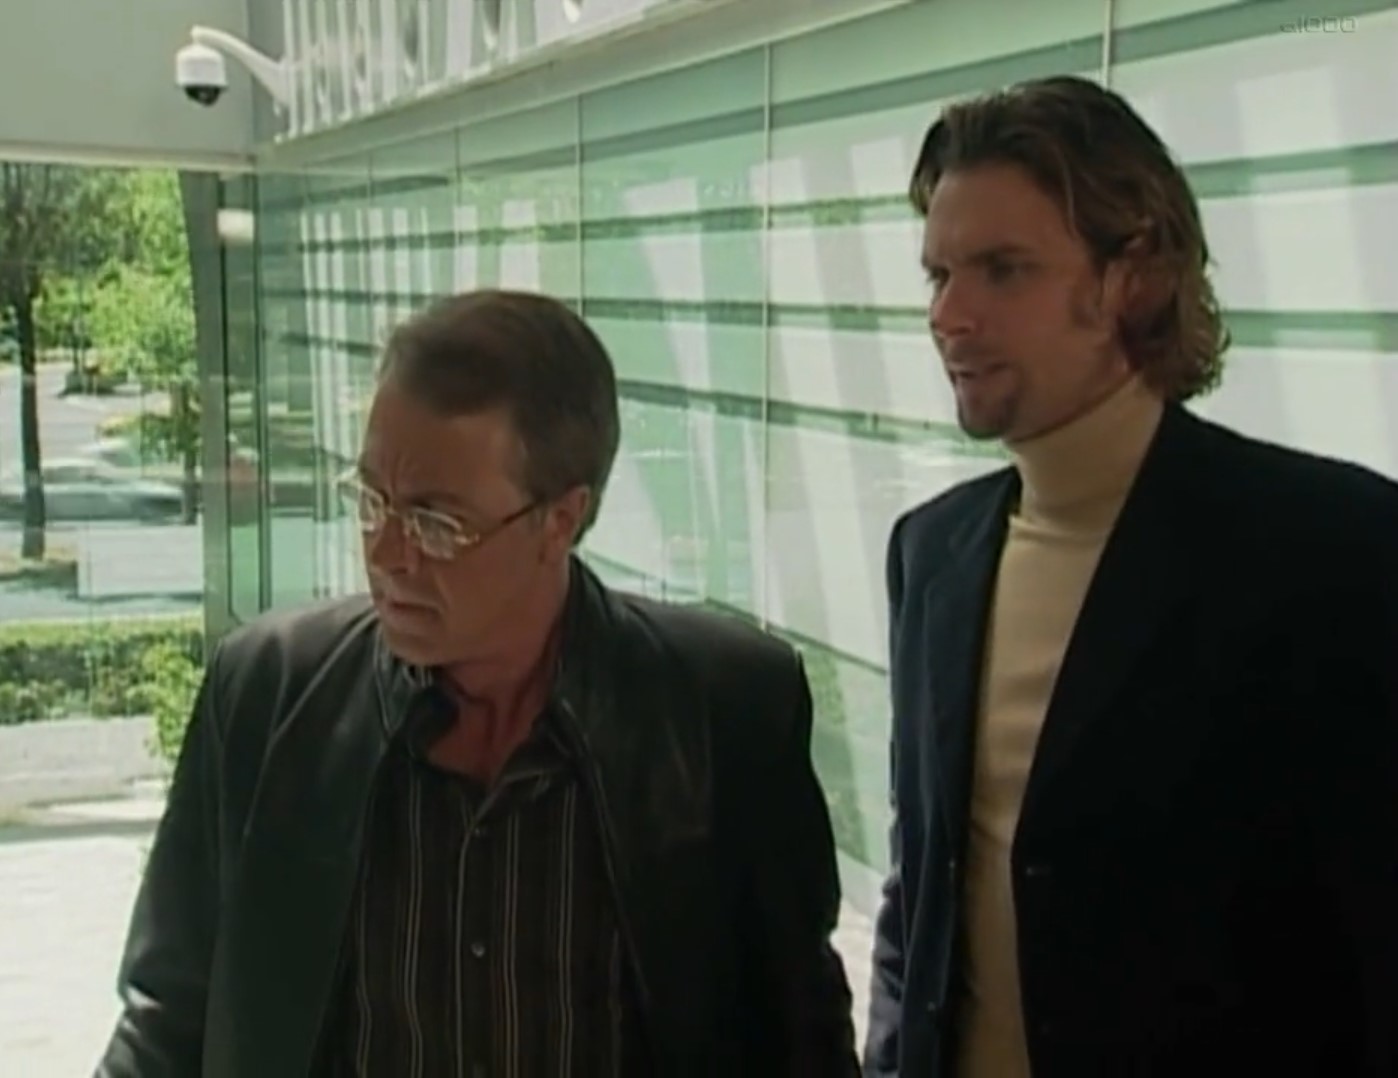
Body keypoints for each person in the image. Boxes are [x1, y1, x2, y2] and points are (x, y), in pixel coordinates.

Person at [97, 289, 859, 1077]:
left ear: (560, 520)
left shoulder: (725, 712)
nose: (387, 554)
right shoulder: (268, 697)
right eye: (372, 501)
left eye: (436, 523)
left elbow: (803, 1039)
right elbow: (167, 1018)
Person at [865, 75, 1398, 1078]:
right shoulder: (930, 552)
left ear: (1135, 277)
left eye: (1003, 270)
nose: (949, 314)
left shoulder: (1331, 549)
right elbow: (923, 893)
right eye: (938, 274)